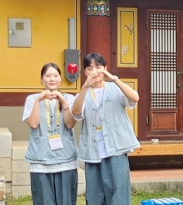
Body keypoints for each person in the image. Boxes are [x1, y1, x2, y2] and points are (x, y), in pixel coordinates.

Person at [71, 53, 140, 204]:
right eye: (89, 68)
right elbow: (75, 112)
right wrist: (84, 87)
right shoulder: (83, 93)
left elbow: (134, 98)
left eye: (98, 67)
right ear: (85, 72)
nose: (94, 72)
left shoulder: (114, 89)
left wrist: (114, 79)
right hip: (93, 151)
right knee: (94, 194)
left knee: (119, 191)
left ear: (105, 68)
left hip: (116, 147)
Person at [23, 63, 78, 205]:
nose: (52, 79)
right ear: (41, 79)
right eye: (48, 76)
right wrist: (38, 101)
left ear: (61, 78)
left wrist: (64, 102)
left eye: (55, 76)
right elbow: (34, 124)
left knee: (66, 201)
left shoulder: (70, 98)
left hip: (66, 160)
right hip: (40, 159)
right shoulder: (32, 99)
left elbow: (70, 124)